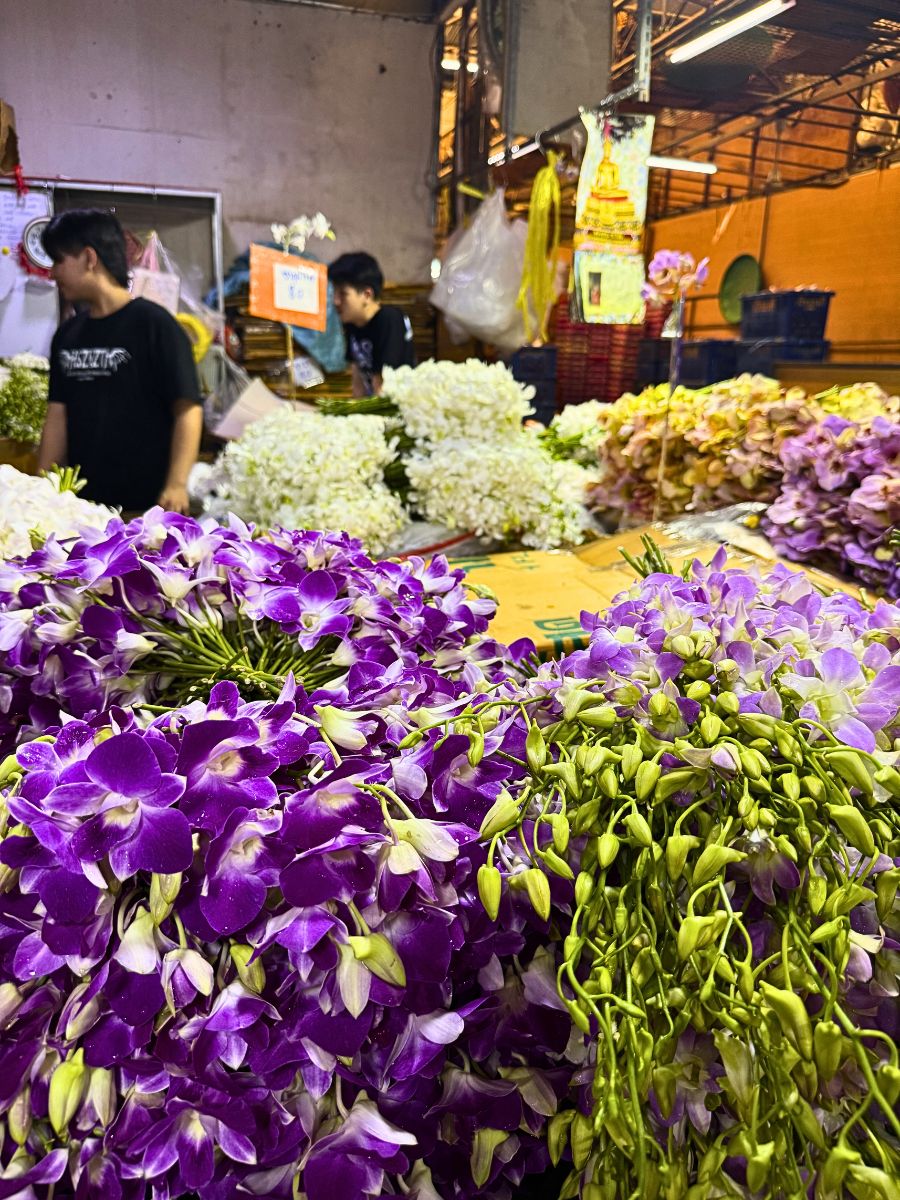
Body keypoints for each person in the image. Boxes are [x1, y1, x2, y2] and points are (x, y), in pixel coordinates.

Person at [37, 209, 202, 514]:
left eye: (59, 260)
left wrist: (177, 484)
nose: (53, 272)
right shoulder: (67, 335)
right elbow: (57, 415)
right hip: (82, 510)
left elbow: (188, 408)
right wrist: (41, 490)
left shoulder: (155, 325)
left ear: (89, 258)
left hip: (146, 509)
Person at [327, 252, 415, 396]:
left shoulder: (389, 319)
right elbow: (357, 376)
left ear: (367, 295)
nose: (335, 301)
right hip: (372, 407)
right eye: (334, 294)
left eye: (343, 294)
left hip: (395, 406)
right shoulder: (352, 323)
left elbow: (382, 383)